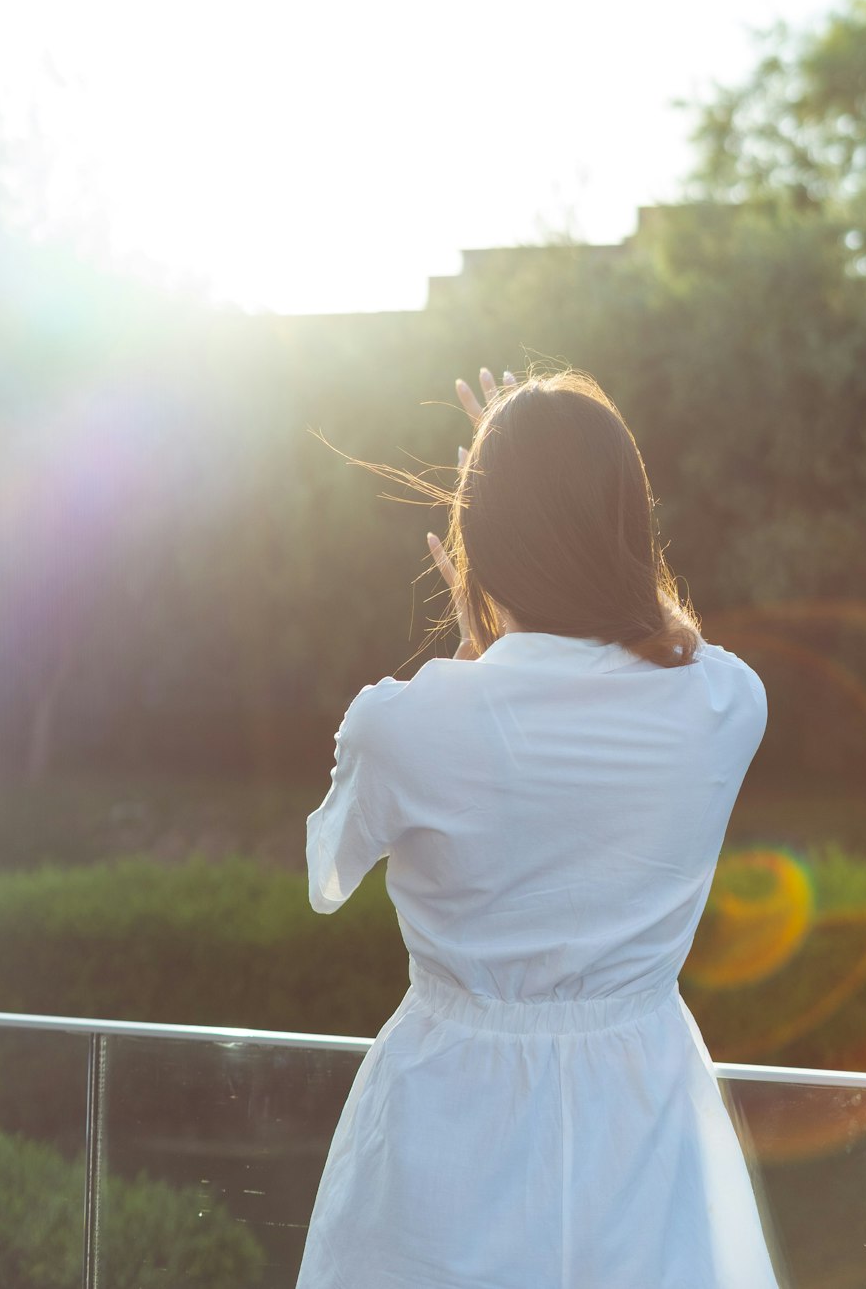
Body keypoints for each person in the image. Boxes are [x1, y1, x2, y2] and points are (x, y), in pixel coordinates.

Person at [296, 366, 785, 1289]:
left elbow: (328, 878)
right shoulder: (727, 703)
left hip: (445, 1123)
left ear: (479, 536)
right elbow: (664, 644)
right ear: (632, 528)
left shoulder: (406, 724)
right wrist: (530, 593)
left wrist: (487, 645)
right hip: (644, 1112)